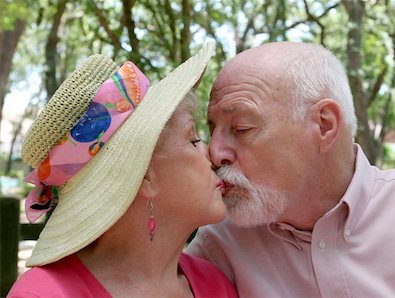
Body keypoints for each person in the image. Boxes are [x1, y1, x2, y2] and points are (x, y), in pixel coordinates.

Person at [186, 41, 395, 297]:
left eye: (241, 128)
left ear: (324, 125)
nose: (215, 152)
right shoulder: (219, 246)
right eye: (211, 131)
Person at [8, 42, 237, 297]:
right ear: (145, 177)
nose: (213, 154)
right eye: (193, 139)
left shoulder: (217, 284)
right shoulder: (44, 294)